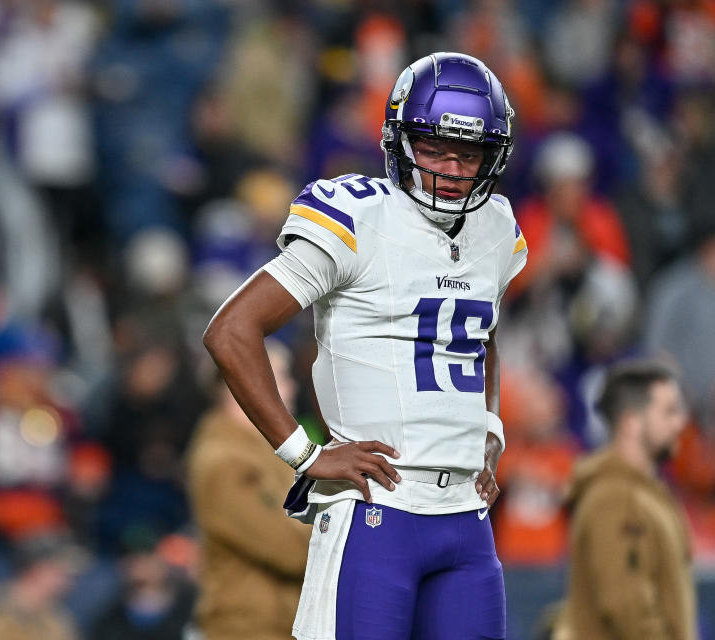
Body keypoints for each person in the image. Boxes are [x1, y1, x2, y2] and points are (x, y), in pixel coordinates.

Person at [204, 52, 526, 640]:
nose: (452, 168)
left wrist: (489, 430)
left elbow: (483, 332)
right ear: (400, 142)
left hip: (467, 521)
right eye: (435, 148)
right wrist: (303, 454)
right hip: (378, 512)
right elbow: (231, 330)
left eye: (469, 153)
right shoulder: (359, 217)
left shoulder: (496, 229)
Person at [553, 361, 698, 640]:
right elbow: (627, 610)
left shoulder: (643, 493)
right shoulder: (616, 499)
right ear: (631, 422)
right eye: (669, 411)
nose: (680, 422)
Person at [187, 341, 310, 639]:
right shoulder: (223, 461)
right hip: (246, 629)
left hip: (278, 626)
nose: (292, 389)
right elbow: (289, 549)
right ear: (245, 381)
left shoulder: (267, 451)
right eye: (282, 376)